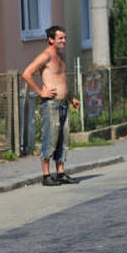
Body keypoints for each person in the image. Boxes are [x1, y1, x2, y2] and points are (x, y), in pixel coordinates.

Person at [22, 25, 81, 186]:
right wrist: (40, 92)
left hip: (63, 104)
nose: (64, 41)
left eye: (65, 38)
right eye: (60, 38)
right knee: (51, 137)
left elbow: (61, 81)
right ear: (51, 39)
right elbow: (27, 73)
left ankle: (60, 172)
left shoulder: (61, 56)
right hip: (51, 105)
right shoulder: (45, 56)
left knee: (63, 138)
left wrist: (71, 98)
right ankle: (46, 175)